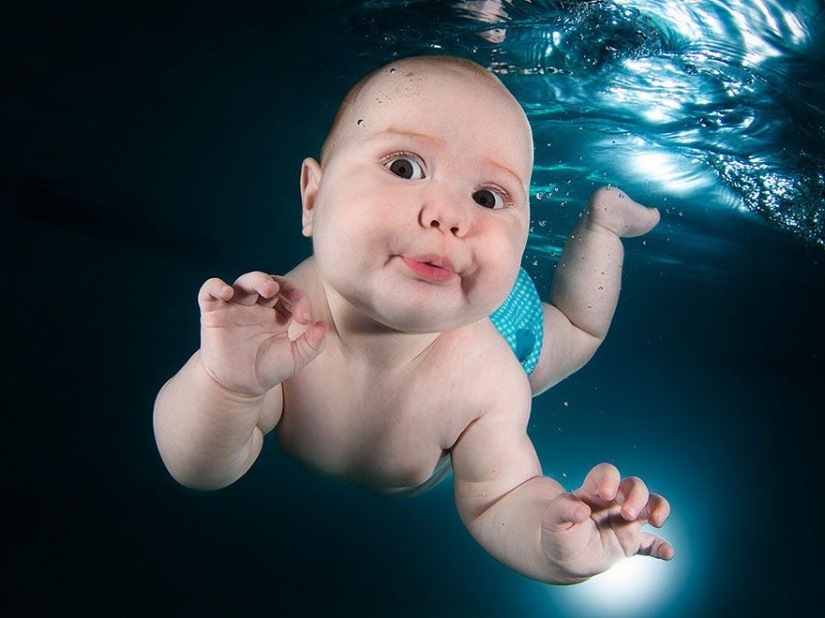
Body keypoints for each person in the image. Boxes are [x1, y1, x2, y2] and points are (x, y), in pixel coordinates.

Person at [153, 54, 673, 584]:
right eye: (404, 168)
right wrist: (226, 386)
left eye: (488, 197)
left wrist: (553, 538)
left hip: (501, 320)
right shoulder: (273, 329)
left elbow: (501, 497)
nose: (449, 215)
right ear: (313, 196)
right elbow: (197, 468)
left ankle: (603, 224)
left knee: (576, 330)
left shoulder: (488, 383)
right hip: (455, 275)